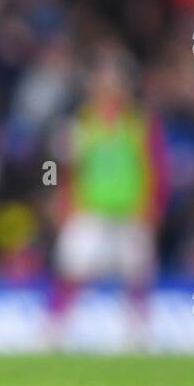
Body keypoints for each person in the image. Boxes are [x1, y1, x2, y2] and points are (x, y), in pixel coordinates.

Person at [47, 48, 167, 350]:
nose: (109, 88)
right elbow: (68, 169)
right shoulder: (82, 123)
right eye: (104, 81)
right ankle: (53, 330)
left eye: (115, 82)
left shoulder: (139, 123)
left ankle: (136, 334)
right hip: (91, 210)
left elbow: (157, 167)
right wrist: (64, 203)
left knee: (137, 272)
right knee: (71, 268)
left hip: (131, 212)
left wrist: (154, 205)